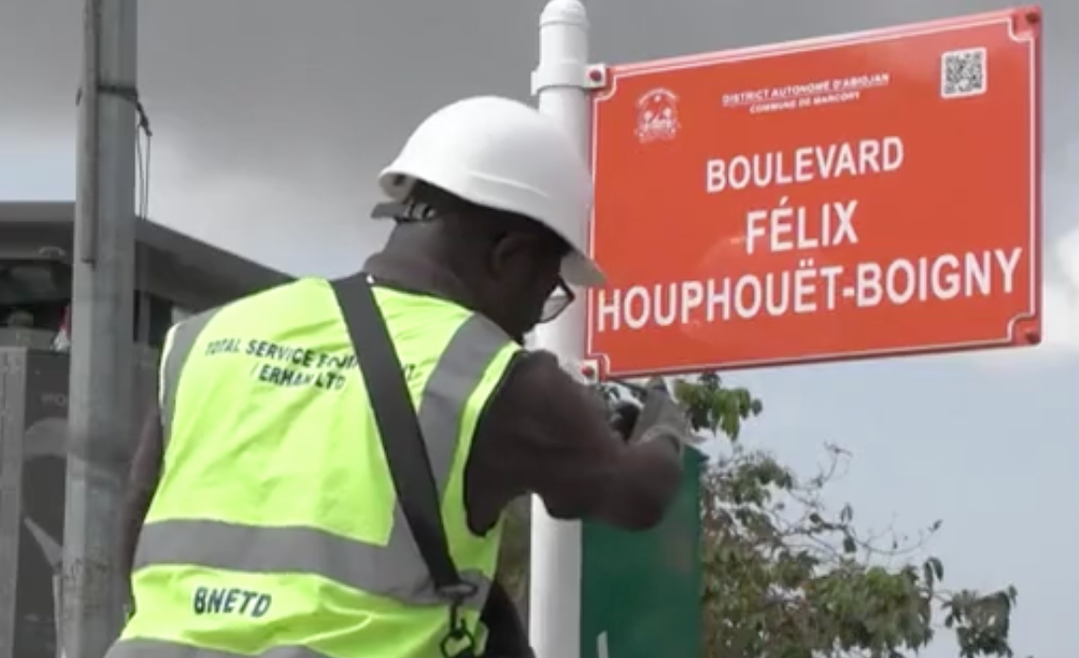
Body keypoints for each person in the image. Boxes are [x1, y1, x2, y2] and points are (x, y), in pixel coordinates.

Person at [106, 96, 690, 658]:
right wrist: (664, 428)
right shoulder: (495, 377)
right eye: (546, 295)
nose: (533, 324)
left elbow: (134, 524)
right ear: (508, 255)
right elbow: (635, 496)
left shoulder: (207, 337)